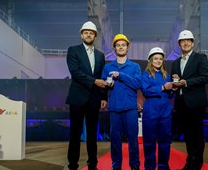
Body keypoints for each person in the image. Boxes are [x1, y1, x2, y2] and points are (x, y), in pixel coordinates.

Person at [65, 21, 109, 170]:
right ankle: (72, 164)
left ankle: (92, 164)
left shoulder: (100, 55)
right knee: (75, 133)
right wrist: (94, 81)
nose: (88, 35)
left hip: (94, 99)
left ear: (95, 36)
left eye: (91, 33)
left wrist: (104, 97)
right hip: (77, 97)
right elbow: (75, 73)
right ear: (81, 35)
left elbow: (102, 77)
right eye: (86, 32)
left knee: (92, 134)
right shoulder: (73, 50)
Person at [171, 30, 208, 170]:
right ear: (179, 44)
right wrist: (174, 87)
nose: (185, 43)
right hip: (181, 104)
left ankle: (197, 163)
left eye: (188, 40)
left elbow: (205, 78)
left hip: (196, 103)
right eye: (183, 41)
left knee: (197, 134)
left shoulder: (200, 58)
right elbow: (174, 81)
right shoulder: (175, 63)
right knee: (187, 135)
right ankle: (190, 162)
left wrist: (185, 83)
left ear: (193, 43)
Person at [101, 34, 141, 170]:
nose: (121, 47)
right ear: (114, 48)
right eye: (118, 45)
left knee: (133, 139)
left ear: (127, 47)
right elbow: (104, 84)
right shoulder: (108, 67)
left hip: (130, 107)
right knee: (115, 139)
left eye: (123, 45)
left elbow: (137, 84)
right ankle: (116, 165)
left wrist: (121, 75)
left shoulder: (135, 67)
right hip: (115, 107)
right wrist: (108, 85)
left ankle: (135, 165)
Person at [141, 47, 174, 170]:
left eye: (160, 59)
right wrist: (163, 88)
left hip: (165, 112)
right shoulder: (145, 75)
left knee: (165, 141)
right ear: (150, 60)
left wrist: (173, 90)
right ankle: (149, 167)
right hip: (151, 112)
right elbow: (146, 90)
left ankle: (163, 166)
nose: (158, 61)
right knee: (149, 141)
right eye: (156, 58)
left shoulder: (167, 76)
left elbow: (171, 95)